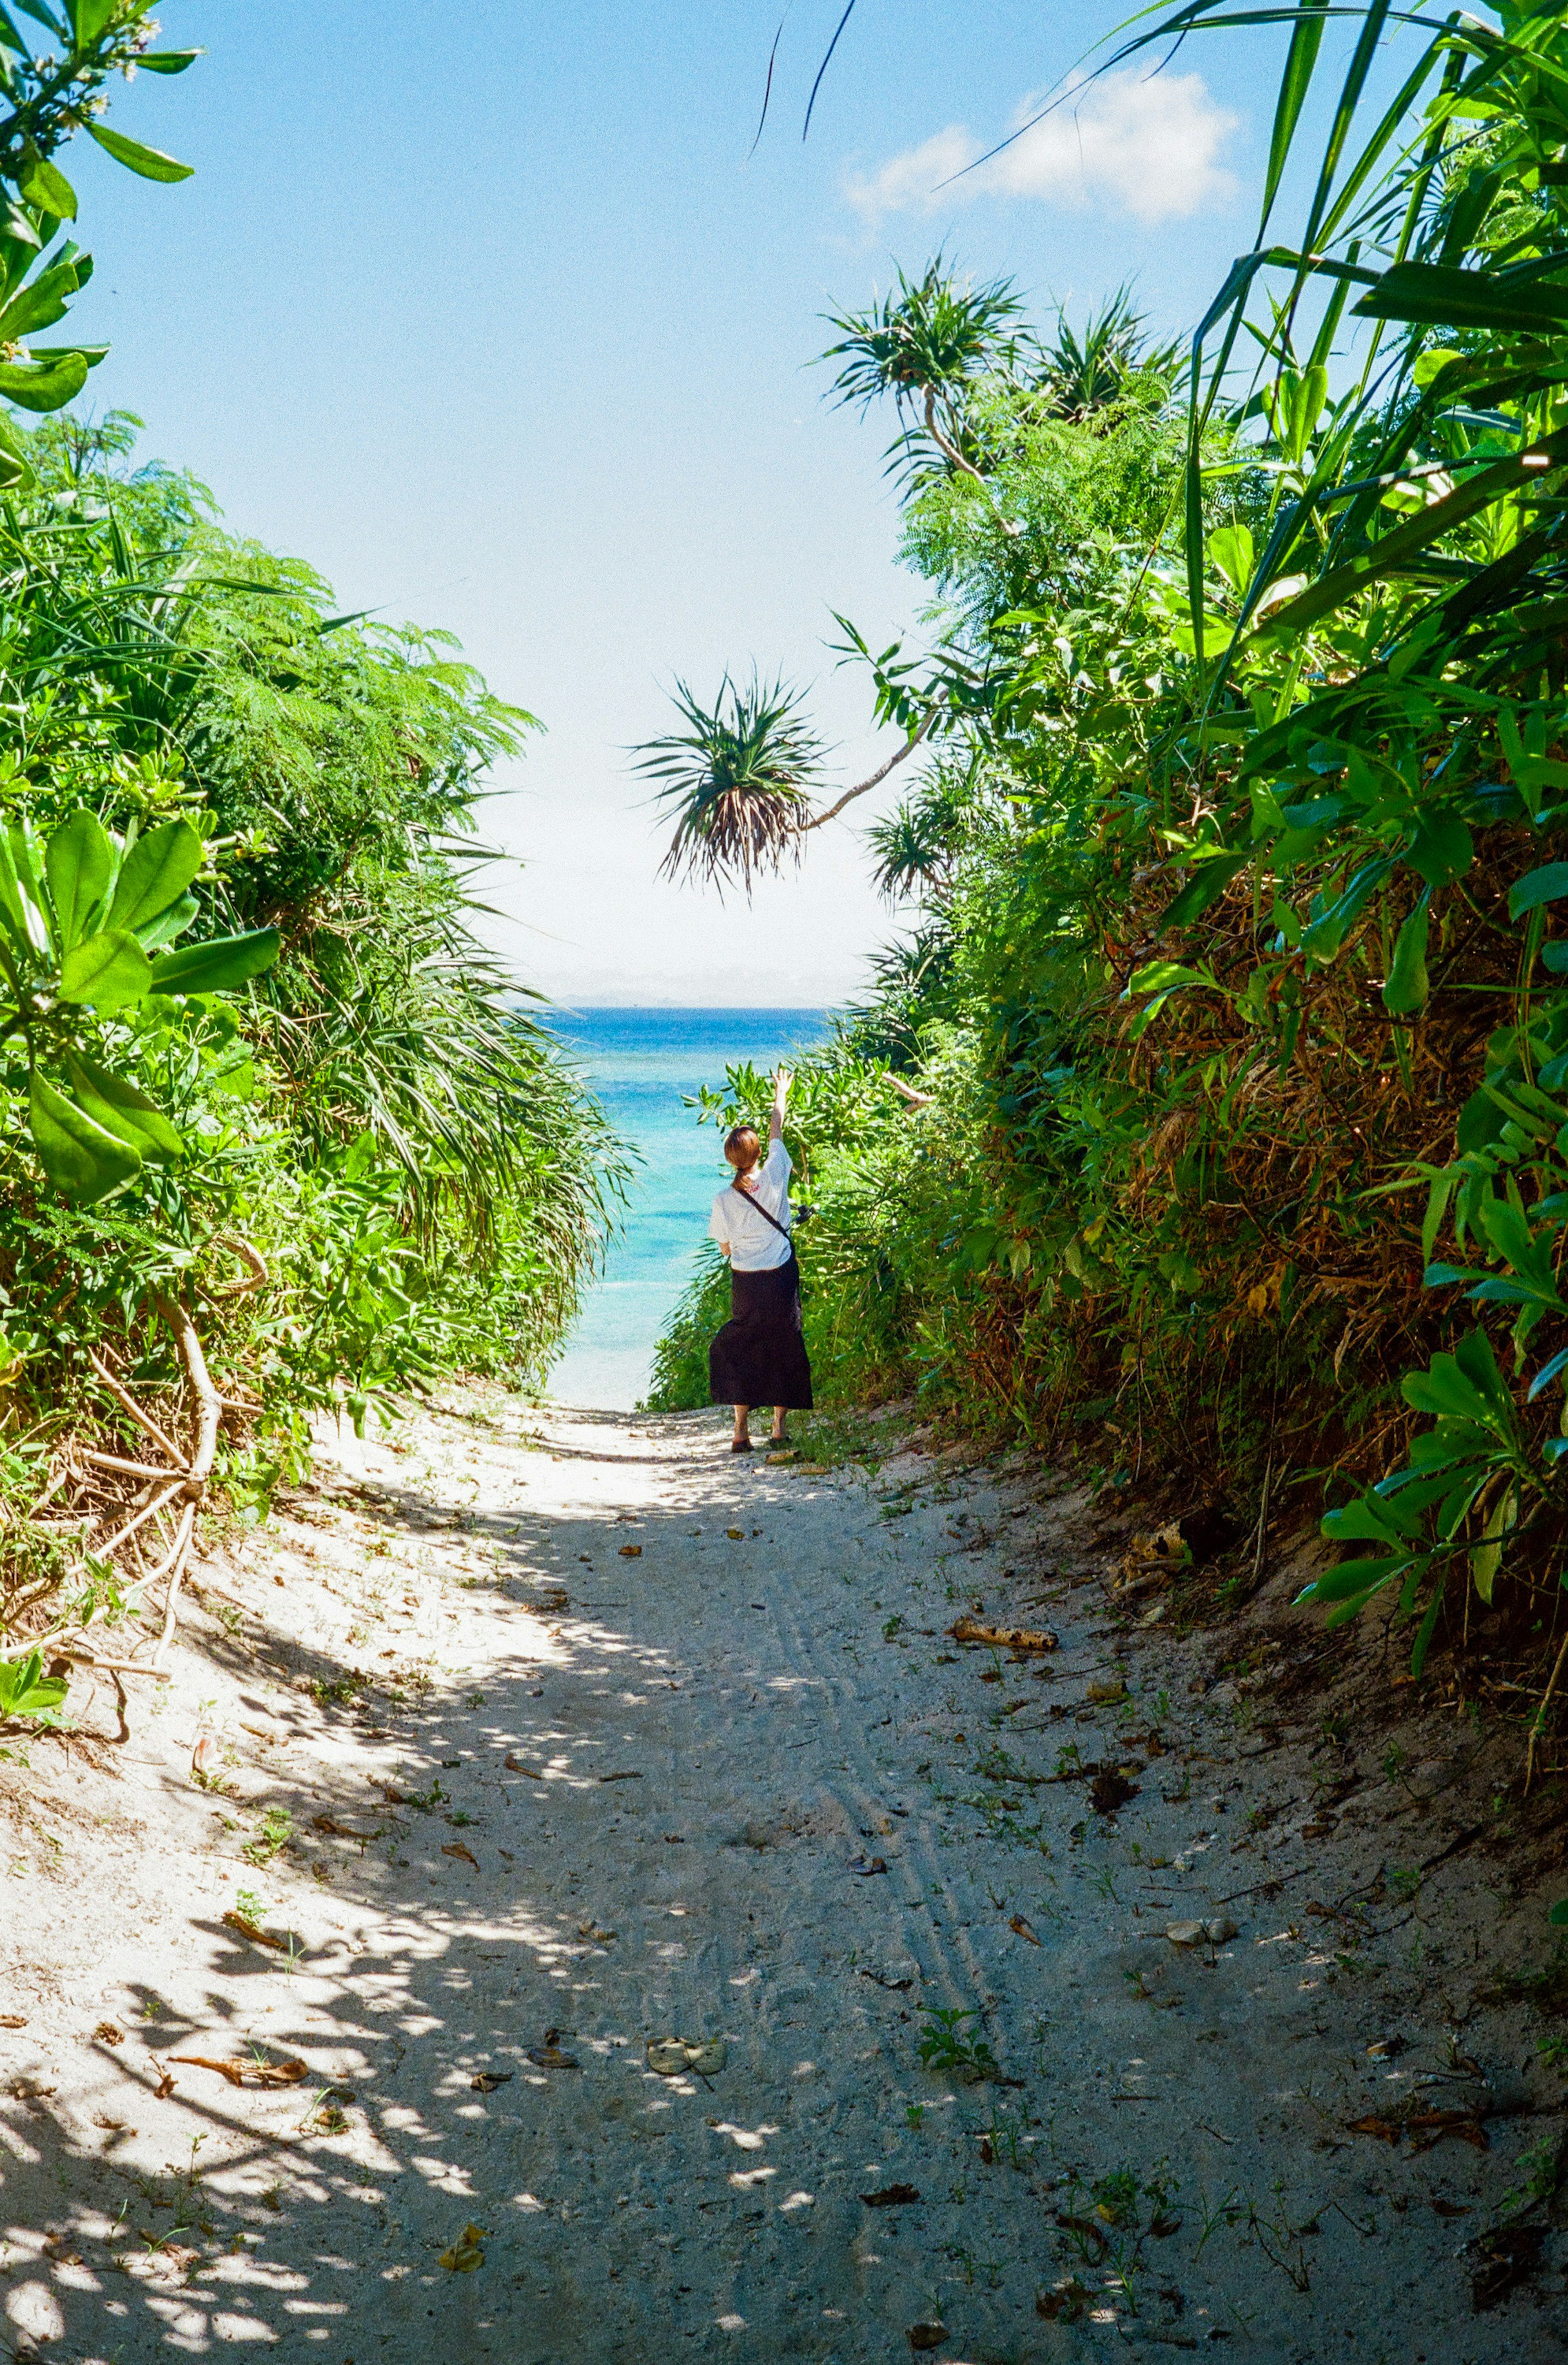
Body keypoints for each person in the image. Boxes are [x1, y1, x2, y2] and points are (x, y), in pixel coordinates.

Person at [707, 1067, 813, 1452]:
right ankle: (779, 1429)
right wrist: (780, 1093)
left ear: (730, 1158)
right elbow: (776, 1130)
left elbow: (725, 1248)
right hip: (781, 1277)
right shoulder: (776, 1173)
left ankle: (740, 1430)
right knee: (785, 1342)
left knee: (744, 1345)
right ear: (757, 1154)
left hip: (747, 1282)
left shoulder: (723, 1199)